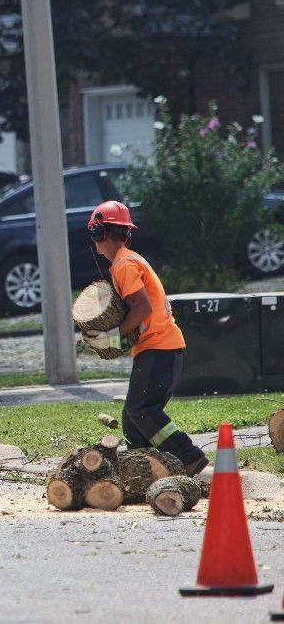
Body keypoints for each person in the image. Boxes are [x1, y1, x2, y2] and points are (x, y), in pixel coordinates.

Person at [82, 200, 208, 476]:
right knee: (131, 415)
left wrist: (114, 336)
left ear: (98, 233)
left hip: (159, 347)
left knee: (142, 410)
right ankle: (141, 466)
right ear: (126, 233)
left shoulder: (123, 265)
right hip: (158, 347)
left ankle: (188, 456)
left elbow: (142, 308)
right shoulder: (129, 260)